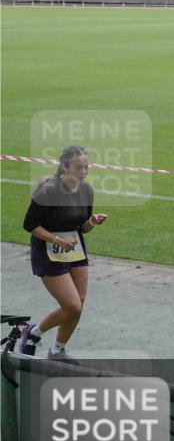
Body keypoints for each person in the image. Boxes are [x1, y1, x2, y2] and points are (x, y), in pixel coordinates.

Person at [19, 145, 108, 362]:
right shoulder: (48, 191)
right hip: (49, 250)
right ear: (65, 167)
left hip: (74, 248)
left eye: (86, 167)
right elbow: (30, 225)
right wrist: (58, 240)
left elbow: (82, 227)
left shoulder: (86, 190)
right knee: (72, 305)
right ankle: (33, 333)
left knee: (79, 303)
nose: (83, 172)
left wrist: (92, 222)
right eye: (79, 167)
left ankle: (58, 350)